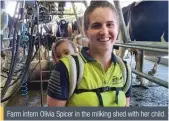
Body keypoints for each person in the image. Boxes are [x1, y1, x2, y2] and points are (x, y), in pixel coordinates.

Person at [47, 1, 131, 107]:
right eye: (96, 26)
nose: (104, 31)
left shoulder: (125, 70)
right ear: (86, 32)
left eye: (109, 24)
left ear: (117, 29)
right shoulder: (65, 69)